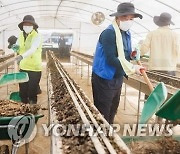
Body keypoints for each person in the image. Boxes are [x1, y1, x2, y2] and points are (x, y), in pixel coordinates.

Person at [92, 2, 145, 124]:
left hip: (117, 76)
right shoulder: (109, 33)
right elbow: (111, 58)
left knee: (113, 108)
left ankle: (108, 132)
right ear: (117, 17)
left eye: (131, 18)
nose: (128, 21)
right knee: (103, 110)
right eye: (125, 17)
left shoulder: (126, 33)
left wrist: (132, 54)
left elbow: (124, 54)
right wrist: (133, 68)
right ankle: (101, 135)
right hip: (104, 77)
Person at [14, 15, 42, 104]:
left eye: (29, 24)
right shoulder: (20, 36)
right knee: (23, 92)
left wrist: (22, 56)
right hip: (23, 68)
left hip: (34, 69)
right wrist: (15, 47)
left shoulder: (37, 36)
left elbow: (33, 49)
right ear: (22, 26)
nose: (27, 26)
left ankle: (32, 111)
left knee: (32, 92)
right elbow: (18, 47)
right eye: (25, 24)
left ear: (33, 26)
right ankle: (24, 110)